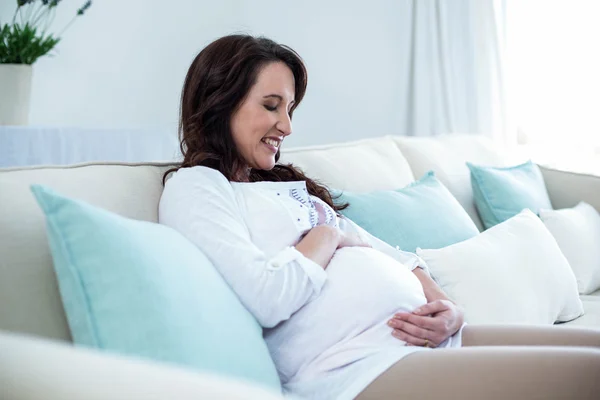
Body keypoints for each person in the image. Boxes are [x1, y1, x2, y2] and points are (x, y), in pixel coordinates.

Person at [158, 34, 600, 400]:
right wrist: (326, 238)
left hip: (423, 341)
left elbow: (393, 254)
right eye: (271, 105)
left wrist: (449, 309)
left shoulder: (284, 187)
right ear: (219, 103)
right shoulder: (197, 186)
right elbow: (267, 298)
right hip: (354, 367)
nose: (287, 126)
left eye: (290, 109)